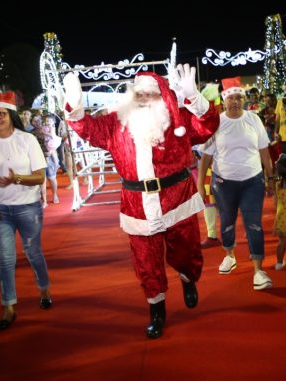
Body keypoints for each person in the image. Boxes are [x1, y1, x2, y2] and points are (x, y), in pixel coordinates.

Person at [63, 64, 219, 339]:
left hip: (177, 199)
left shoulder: (178, 120)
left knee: (186, 252)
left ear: (162, 96)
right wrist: (74, 107)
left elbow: (207, 126)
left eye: (150, 93)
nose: (144, 98)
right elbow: (86, 128)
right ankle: (156, 310)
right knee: (146, 263)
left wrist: (195, 98)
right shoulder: (114, 123)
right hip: (136, 203)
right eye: (139, 93)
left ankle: (187, 277)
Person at [0, 92, 53, 331]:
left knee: (33, 253)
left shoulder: (27, 140)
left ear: (11, 115)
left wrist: (17, 178)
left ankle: (44, 289)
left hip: (28, 207)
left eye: (2, 114)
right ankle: (8, 307)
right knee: (5, 259)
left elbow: (40, 176)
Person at [198, 76, 275, 290]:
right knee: (228, 222)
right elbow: (206, 157)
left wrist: (271, 177)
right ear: (224, 100)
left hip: (253, 181)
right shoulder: (217, 123)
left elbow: (264, 151)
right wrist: (199, 185)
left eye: (238, 97)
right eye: (231, 98)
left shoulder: (253, 119)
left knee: (254, 224)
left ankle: (259, 269)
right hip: (224, 184)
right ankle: (229, 254)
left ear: (244, 99)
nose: (235, 101)